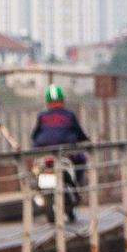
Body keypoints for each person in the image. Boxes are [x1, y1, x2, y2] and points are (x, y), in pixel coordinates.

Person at [29, 85, 89, 219]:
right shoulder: (69, 115)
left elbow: (34, 136)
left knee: (34, 169)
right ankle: (76, 187)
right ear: (62, 100)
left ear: (47, 102)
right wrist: (85, 139)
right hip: (65, 154)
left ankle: (36, 189)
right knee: (82, 159)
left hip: (44, 154)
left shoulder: (42, 116)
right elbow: (80, 134)